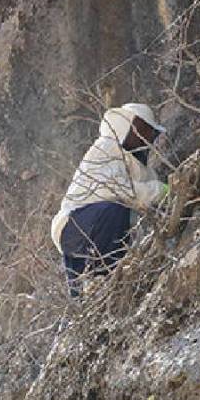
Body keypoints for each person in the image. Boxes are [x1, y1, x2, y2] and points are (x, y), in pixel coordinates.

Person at [50, 103, 168, 296]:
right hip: (75, 223)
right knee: (116, 209)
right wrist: (163, 190)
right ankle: (103, 278)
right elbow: (120, 190)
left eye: (150, 132)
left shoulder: (138, 165)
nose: (147, 137)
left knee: (83, 297)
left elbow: (150, 200)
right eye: (144, 129)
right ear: (127, 126)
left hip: (88, 230)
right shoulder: (105, 148)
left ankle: (92, 301)